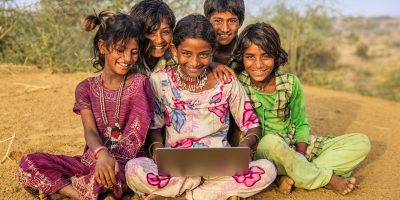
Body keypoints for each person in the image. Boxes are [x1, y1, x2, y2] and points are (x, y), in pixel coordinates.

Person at [125, 14, 276, 200]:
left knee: (267, 170)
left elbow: (252, 126)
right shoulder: (159, 81)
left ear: (212, 51)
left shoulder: (226, 83)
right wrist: (157, 151)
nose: (195, 62)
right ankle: (208, 193)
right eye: (187, 53)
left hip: (221, 167)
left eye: (204, 54)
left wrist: (239, 152)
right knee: (133, 169)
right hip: (177, 170)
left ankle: (181, 197)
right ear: (174, 49)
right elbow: (154, 128)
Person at [18, 11, 155, 200]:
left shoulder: (140, 83)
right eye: (120, 49)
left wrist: (110, 163)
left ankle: (65, 189)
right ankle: (77, 192)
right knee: (29, 163)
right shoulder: (85, 88)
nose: (127, 58)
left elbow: (135, 135)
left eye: (134, 52)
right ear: (102, 47)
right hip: (92, 160)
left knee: (117, 177)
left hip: (126, 165)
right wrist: (101, 155)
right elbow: (90, 131)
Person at [232, 22, 371, 195]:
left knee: (361, 142)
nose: (258, 64)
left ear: (276, 56)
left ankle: (296, 174)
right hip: (263, 149)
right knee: (272, 142)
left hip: (293, 146)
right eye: (250, 56)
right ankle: (325, 179)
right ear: (242, 57)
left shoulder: (290, 83)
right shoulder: (237, 82)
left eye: (266, 56)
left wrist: (301, 153)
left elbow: (301, 122)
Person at [130, 0, 236, 81]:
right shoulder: (128, 58)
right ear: (138, 32)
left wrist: (213, 65)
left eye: (165, 32)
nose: (159, 40)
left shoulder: (176, 55)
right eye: (151, 32)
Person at [204, 0, 244, 67]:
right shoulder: (199, 48)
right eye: (218, 21)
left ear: (240, 22)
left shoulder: (248, 51)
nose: (225, 29)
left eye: (232, 21)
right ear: (207, 21)